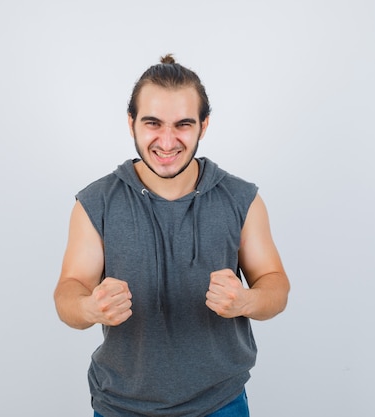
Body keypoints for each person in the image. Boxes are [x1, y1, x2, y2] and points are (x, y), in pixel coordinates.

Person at [54, 54, 290, 417]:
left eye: (183, 124)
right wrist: (89, 307)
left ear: (204, 125)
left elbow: (275, 285)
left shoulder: (242, 199)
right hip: (120, 405)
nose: (167, 141)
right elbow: (68, 290)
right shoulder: (95, 202)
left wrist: (246, 301)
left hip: (220, 402)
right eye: (152, 123)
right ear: (131, 122)